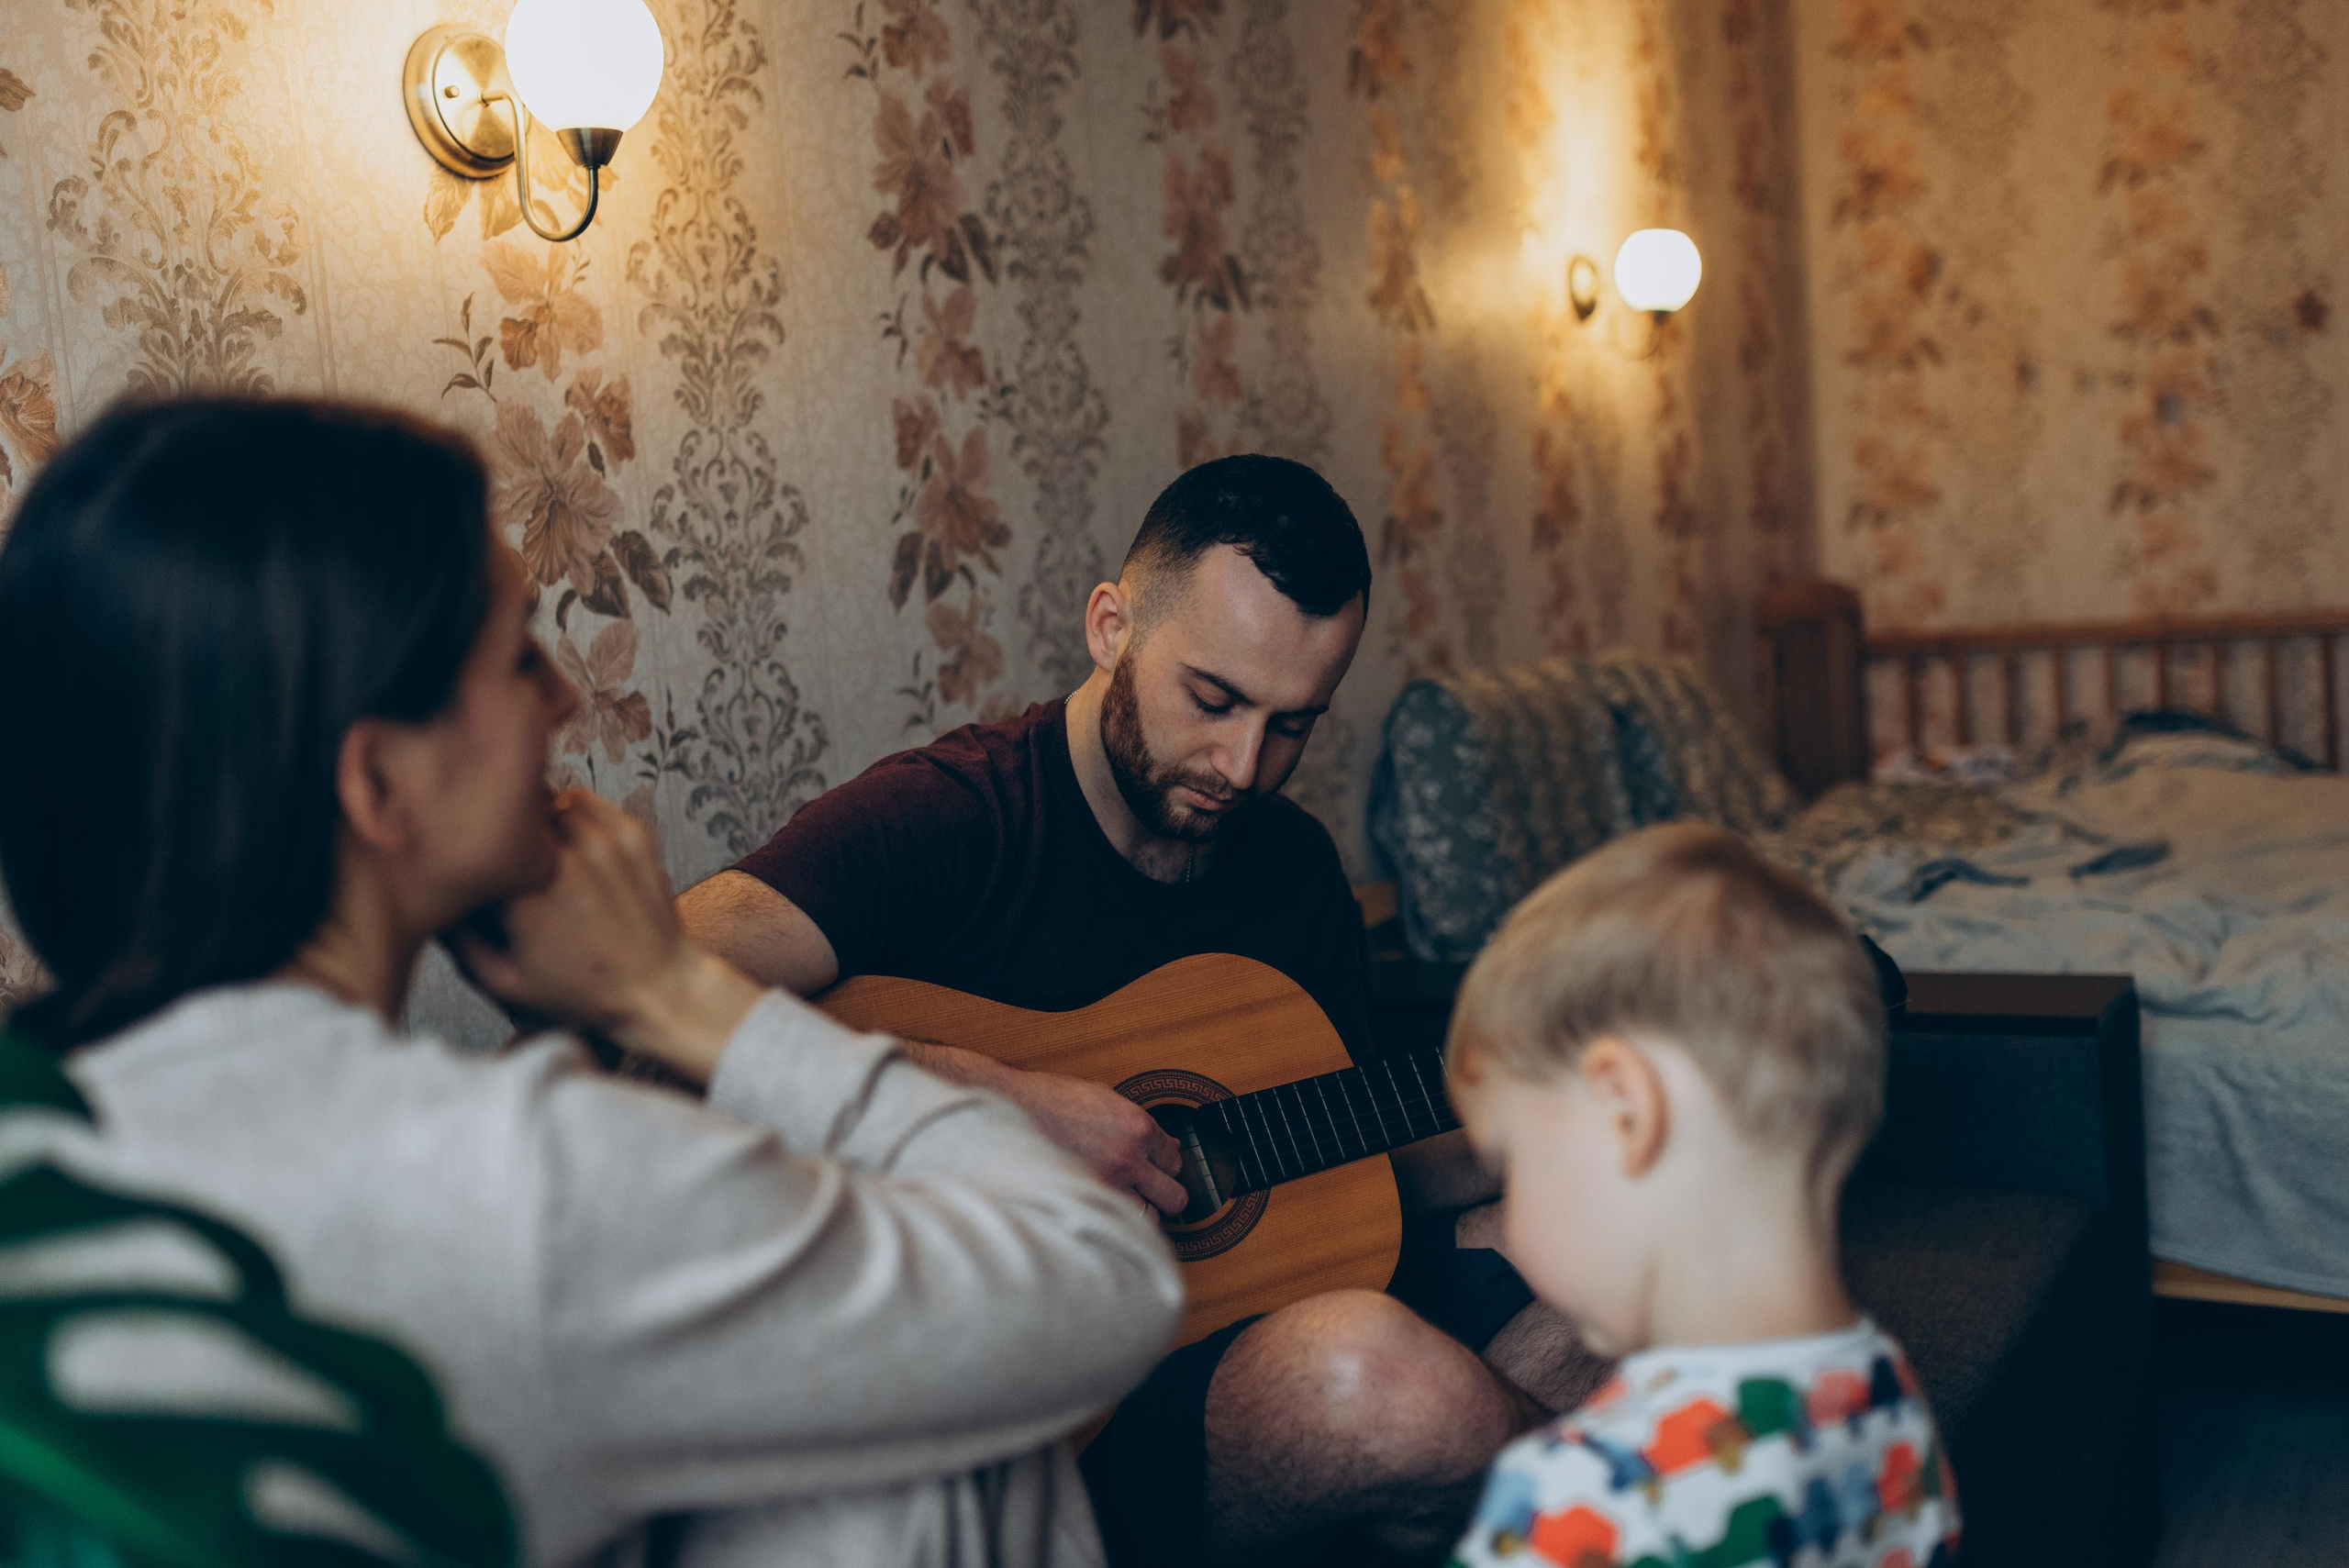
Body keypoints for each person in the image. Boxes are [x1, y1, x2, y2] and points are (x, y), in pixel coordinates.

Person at [0, 396, 1184, 1568]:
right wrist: (676, 994)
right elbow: (1107, 1279)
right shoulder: (522, 1181)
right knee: (945, 1450)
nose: (565, 699)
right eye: (519, 654)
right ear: (378, 785)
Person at [679, 455, 1574, 1565]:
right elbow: (633, 992)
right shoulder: (953, 815)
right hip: (1035, 1414)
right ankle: (1639, 1508)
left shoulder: (1293, 865)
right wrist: (994, 1100)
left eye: (1293, 725)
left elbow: (1335, 1154)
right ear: (1112, 626)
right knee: (1379, 1375)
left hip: (1236, 1326)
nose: (1242, 765)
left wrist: (1543, 1121)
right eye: (1213, 699)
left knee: (1629, 1236)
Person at [1442, 824, 1961, 1568]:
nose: (1509, 1226)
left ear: (1630, 1113)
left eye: (1512, 1161)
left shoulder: (1573, 1499)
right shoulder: (1889, 1394)